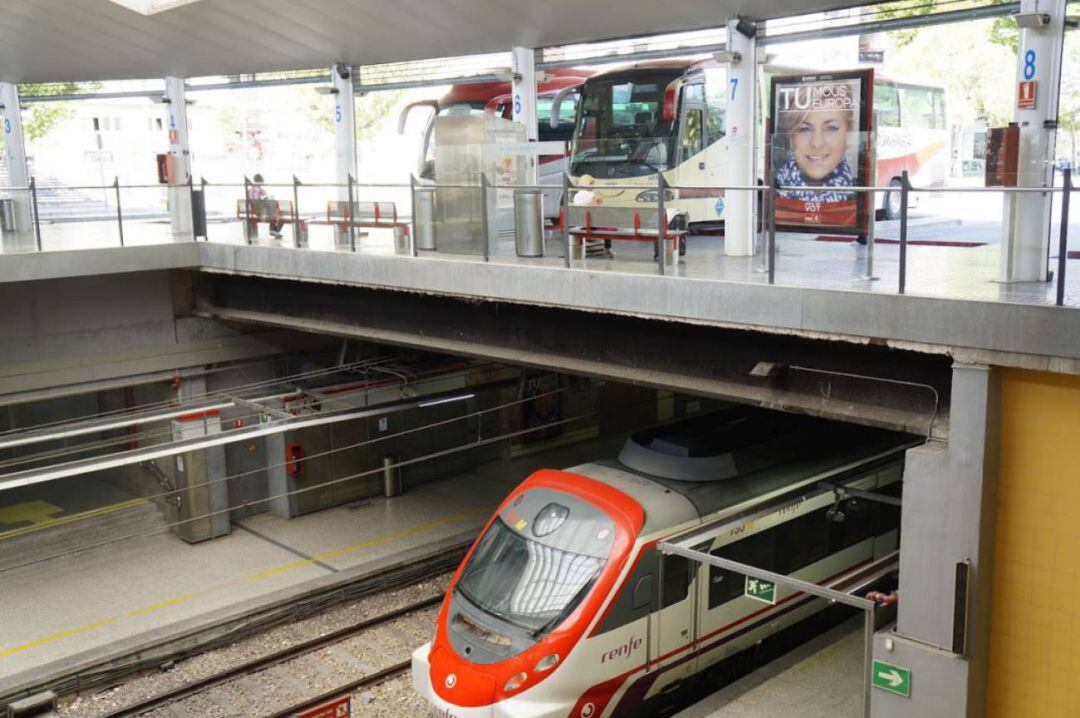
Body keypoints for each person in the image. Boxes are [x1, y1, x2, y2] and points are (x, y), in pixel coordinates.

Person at [775, 83, 856, 203]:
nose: (817, 143)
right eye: (804, 129)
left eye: (831, 128)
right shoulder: (772, 190)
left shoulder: (861, 192)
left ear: (849, 132)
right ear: (791, 136)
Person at [248, 173, 284, 239]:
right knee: (280, 217)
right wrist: (265, 201)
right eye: (261, 180)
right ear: (259, 181)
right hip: (261, 211)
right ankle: (273, 230)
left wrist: (265, 200)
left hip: (256, 211)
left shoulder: (252, 189)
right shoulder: (257, 189)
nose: (262, 182)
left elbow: (259, 199)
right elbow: (256, 200)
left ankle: (273, 231)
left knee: (275, 214)